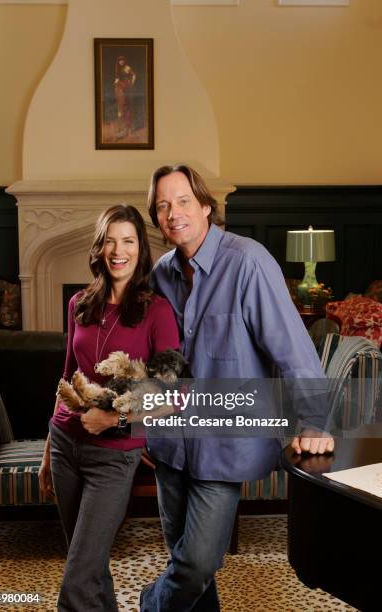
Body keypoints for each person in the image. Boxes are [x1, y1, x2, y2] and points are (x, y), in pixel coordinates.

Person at [140, 164, 335, 612]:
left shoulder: (248, 261)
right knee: (191, 572)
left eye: (184, 201)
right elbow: (154, 361)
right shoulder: (161, 275)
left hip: (221, 445)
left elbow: (293, 349)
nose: (174, 213)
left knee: (196, 564)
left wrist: (314, 420)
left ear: (206, 206)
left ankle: (148, 605)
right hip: (170, 444)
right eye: (163, 206)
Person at [38, 204, 180, 612]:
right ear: (99, 248)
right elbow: (67, 376)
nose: (119, 250)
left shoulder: (157, 312)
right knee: (92, 568)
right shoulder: (79, 303)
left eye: (129, 241)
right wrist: (49, 450)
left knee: (78, 579)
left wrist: (116, 418)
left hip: (114, 459)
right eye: (111, 241)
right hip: (66, 445)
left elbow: (172, 397)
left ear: (140, 249)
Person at [114, 55, 136, 138]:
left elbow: (134, 75)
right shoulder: (117, 68)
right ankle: (120, 128)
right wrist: (116, 83)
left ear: (124, 61)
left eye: (122, 60)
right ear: (118, 61)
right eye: (120, 60)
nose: (121, 61)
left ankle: (129, 128)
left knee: (127, 107)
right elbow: (117, 79)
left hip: (126, 86)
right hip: (120, 86)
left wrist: (131, 84)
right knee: (120, 107)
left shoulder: (127, 67)